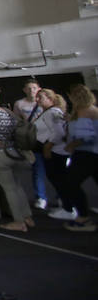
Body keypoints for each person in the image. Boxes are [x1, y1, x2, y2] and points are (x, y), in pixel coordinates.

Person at [0, 87, 34, 232]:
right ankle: (27, 216)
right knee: (17, 186)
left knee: (9, 188)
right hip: (13, 151)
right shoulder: (7, 112)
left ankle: (18, 221)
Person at [56, 85, 98, 232]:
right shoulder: (90, 110)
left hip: (87, 154)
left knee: (71, 183)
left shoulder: (84, 111)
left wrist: (70, 146)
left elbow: (85, 137)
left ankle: (83, 218)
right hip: (90, 153)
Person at [34, 90, 71, 217]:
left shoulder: (52, 113)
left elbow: (59, 133)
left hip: (56, 151)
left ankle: (69, 208)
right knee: (56, 177)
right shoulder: (47, 113)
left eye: (40, 97)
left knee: (58, 178)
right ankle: (66, 205)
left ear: (50, 99)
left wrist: (48, 147)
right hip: (54, 150)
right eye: (37, 97)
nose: (37, 100)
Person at [13, 79, 47, 210]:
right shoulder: (20, 104)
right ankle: (41, 197)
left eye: (34, 88)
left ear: (39, 88)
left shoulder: (46, 102)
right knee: (37, 169)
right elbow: (17, 121)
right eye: (29, 88)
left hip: (49, 138)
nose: (31, 90)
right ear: (24, 90)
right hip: (33, 139)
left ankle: (62, 198)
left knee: (55, 170)